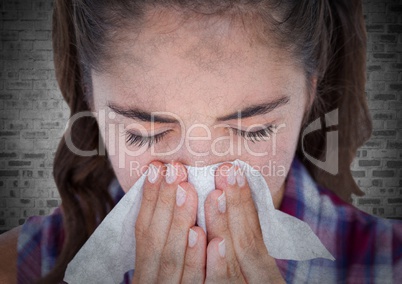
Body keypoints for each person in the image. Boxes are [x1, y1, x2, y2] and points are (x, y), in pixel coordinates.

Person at [0, 0, 401, 283]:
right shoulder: (18, 268)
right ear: (91, 99)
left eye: (255, 130)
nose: (198, 178)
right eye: (144, 134)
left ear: (310, 95)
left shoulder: (388, 265)